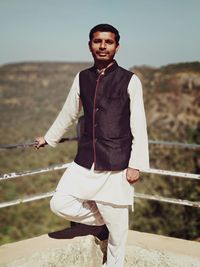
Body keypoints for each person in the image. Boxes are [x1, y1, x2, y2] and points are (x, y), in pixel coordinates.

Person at [35, 23, 149, 267]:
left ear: (117, 47)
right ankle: (100, 223)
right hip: (85, 161)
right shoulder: (82, 77)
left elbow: (139, 125)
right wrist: (49, 137)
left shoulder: (130, 80)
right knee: (59, 202)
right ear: (90, 46)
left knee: (118, 236)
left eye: (108, 42)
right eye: (98, 41)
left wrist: (136, 164)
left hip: (116, 165)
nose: (103, 46)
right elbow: (69, 113)